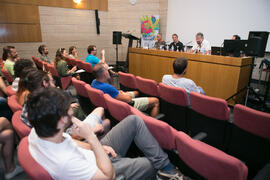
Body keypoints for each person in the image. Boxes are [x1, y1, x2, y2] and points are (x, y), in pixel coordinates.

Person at [27, 87, 184, 180]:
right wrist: (92, 139)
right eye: (69, 109)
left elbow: (71, 141)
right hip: (102, 169)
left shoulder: (39, 130)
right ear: (61, 120)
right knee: (150, 164)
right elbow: (108, 176)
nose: (72, 110)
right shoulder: (65, 163)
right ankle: (163, 168)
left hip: (95, 154)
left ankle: (166, 167)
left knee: (133, 121)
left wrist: (98, 148)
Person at [20, 69, 110, 138]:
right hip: (74, 136)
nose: (54, 85)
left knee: (101, 114)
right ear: (44, 83)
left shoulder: (31, 102)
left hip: (70, 133)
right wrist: (91, 131)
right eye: (52, 81)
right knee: (104, 119)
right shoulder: (46, 107)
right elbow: (68, 138)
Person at [91, 63, 160, 117]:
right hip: (125, 105)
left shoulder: (94, 82)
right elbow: (128, 100)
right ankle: (152, 125)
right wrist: (123, 94)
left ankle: (142, 111)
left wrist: (120, 93)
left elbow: (113, 91)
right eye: (107, 70)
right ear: (105, 73)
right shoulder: (108, 87)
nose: (109, 71)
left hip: (116, 100)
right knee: (156, 101)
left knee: (136, 93)